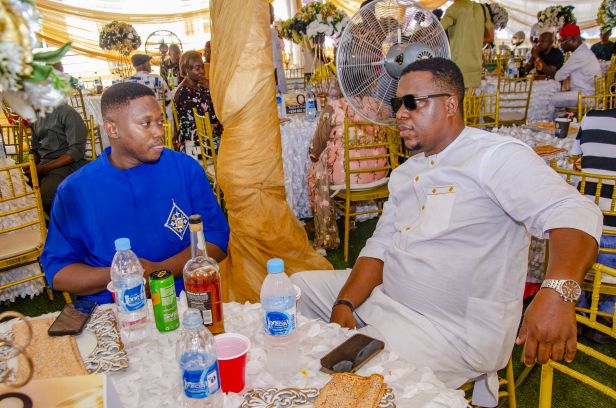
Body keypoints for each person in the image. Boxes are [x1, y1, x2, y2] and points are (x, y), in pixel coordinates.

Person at [291, 58, 602, 406]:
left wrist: (559, 290)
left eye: (412, 103)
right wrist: (345, 302)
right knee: (294, 291)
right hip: (387, 299)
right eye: (397, 103)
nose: (400, 114)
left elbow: (573, 210)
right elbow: (379, 246)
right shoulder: (407, 173)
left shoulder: (494, 157)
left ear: (451, 104)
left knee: (352, 385)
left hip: (448, 331)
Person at [40, 82, 229, 304]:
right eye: (146, 124)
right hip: (114, 307)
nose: (159, 132)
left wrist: (158, 271)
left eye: (159, 121)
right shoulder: (75, 191)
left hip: (186, 297)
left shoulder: (184, 169)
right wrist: (125, 274)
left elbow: (217, 239)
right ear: (112, 129)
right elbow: (59, 272)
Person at [570, 108, 616, 344]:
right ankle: (605, 315)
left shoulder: (591, 117)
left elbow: (576, 160)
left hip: (584, 222)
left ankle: (577, 309)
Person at [30, 103, 88, 213]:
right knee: (16, 191)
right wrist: (30, 165)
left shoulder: (67, 112)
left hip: (67, 164)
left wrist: (43, 168)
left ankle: (62, 221)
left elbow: (76, 152)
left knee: (47, 199)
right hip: (44, 165)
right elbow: (35, 149)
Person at [173, 51, 223, 150]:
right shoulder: (184, 92)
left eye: (202, 67)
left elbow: (218, 106)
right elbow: (197, 122)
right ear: (186, 70)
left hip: (209, 133)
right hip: (195, 140)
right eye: (197, 68)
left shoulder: (201, 86)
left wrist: (211, 88)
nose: (202, 71)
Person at [440, 0, 493, 88]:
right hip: (476, 66)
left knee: (459, 95)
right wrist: (475, 40)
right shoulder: (483, 9)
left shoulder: (453, 9)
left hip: (459, 65)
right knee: (472, 96)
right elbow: (490, 38)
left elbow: (437, 30)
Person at [553, 24, 602, 110]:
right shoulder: (583, 51)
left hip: (586, 96)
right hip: (588, 94)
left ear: (574, 40)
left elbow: (558, 76)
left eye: (562, 41)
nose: (561, 45)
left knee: (548, 99)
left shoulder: (580, 54)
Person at [269, 3, 287, 94]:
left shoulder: (274, 31)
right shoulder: (262, 32)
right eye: (272, 12)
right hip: (271, 73)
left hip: (278, 71)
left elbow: (280, 48)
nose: (273, 15)